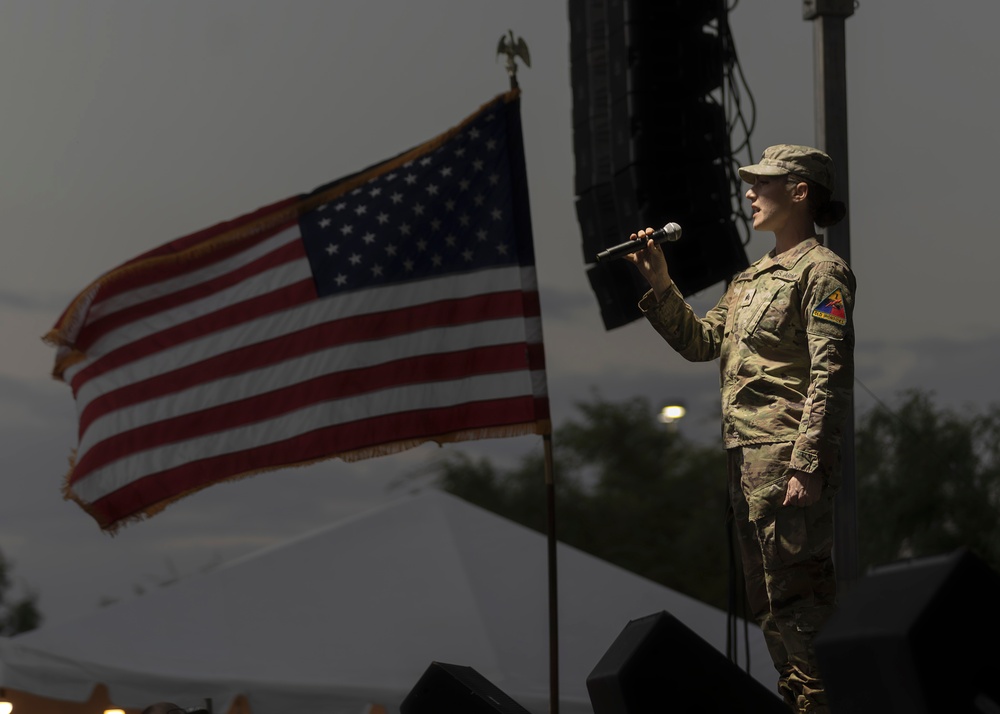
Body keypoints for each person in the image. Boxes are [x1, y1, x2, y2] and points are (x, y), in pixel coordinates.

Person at [624, 144, 855, 713]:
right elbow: (702, 343)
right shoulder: (750, 279)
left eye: (764, 184)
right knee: (772, 611)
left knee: (800, 605)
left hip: (785, 460)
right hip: (747, 463)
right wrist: (660, 282)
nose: (750, 193)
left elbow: (830, 373)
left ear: (800, 192)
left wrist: (808, 462)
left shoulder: (822, 272)